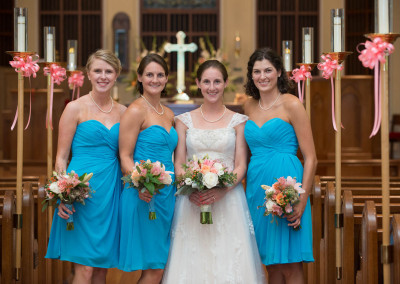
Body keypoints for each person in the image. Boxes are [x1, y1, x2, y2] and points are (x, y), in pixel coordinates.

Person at [162, 60, 266, 283]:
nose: (212, 87)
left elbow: (241, 165)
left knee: (228, 260)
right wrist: (189, 187)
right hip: (192, 199)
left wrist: (222, 190)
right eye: (206, 81)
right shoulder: (183, 121)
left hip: (229, 199)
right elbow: (179, 163)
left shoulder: (239, 121)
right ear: (198, 83)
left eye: (217, 81)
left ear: (226, 83)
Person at [45, 49, 126, 283]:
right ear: (88, 74)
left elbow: (127, 155)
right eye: (98, 70)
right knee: (84, 268)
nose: (103, 76)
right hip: (81, 191)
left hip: (110, 192)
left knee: (102, 267)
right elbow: (61, 157)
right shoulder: (74, 108)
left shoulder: (124, 112)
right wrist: (63, 194)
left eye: (108, 71)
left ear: (116, 74)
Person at [243, 47, 317, 284]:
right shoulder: (248, 106)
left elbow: (311, 157)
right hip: (256, 187)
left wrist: (302, 199)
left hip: (287, 186)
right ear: (251, 75)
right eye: (257, 71)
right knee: (270, 263)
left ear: (278, 73)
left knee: (291, 265)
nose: (262, 76)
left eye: (268, 70)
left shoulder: (292, 104)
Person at [118, 53, 177, 283]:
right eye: (149, 74)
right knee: (155, 267)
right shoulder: (135, 110)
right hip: (145, 195)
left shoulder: (169, 113)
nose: (155, 79)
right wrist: (140, 184)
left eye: (160, 75)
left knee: (160, 265)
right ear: (140, 77)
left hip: (166, 195)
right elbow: (125, 155)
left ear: (166, 79)